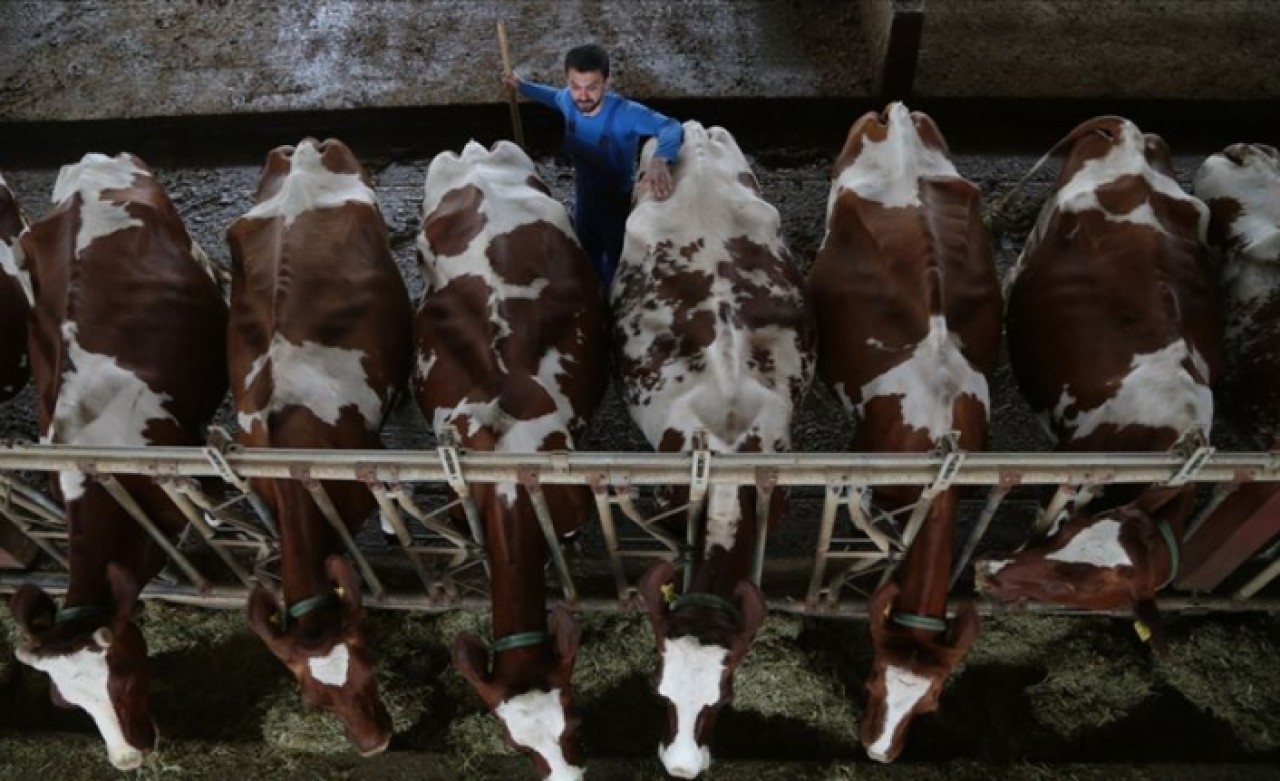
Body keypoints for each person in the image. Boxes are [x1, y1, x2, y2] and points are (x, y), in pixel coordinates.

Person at [504, 44, 683, 292]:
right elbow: (552, 96)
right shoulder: (567, 100)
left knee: (617, 262)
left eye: (591, 87)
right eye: (575, 86)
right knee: (585, 254)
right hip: (584, 196)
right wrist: (522, 86)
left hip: (616, 204)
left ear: (606, 82)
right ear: (567, 81)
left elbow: (671, 127)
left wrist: (660, 159)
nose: (582, 96)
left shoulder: (626, 114)